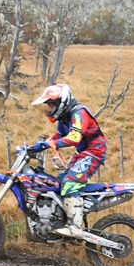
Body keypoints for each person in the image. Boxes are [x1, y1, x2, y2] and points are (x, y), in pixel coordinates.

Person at [29, 83, 107, 237]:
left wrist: (50, 144)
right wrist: (38, 146)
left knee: (70, 184)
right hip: (83, 153)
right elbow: (57, 136)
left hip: (94, 152)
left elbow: (74, 137)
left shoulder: (79, 113)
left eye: (51, 105)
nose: (49, 109)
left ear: (61, 103)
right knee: (59, 182)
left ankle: (75, 228)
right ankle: (60, 220)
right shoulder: (64, 118)